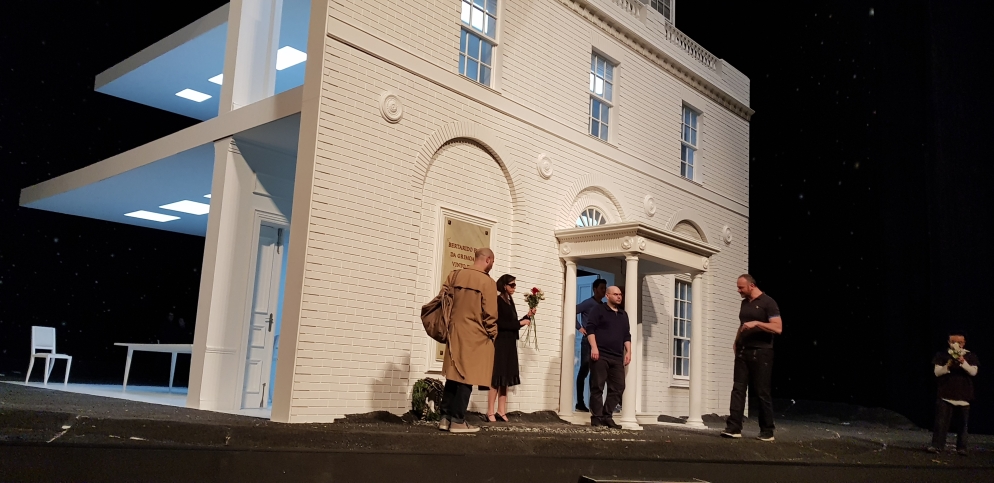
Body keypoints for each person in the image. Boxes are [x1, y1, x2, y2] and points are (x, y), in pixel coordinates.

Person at [438, 247, 498, 434]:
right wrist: (493, 334)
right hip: (476, 334)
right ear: (488, 260)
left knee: (453, 375)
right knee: (467, 377)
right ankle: (458, 421)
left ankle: (445, 418)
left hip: (454, 331)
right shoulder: (488, 283)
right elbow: (490, 314)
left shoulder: (455, 275)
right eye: (492, 262)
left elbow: (443, 300)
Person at [722, 274, 783, 442]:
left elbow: (778, 328)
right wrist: (736, 341)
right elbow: (742, 324)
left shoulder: (768, 303)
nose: (738, 290)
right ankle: (733, 428)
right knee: (738, 389)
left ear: (752, 286)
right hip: (743, 351)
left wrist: (757, 323)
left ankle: (767, 431)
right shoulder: (745, 303)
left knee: (762, 391)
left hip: (761, 352)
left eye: (741, 287)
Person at [483, 274, 536, 422]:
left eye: (515, 285)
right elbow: (499, 323)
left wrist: (527, 316)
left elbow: (513, 324)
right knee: (497, 377)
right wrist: (520, 323)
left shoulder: (510, 301)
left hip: (510, 342)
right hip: (501, 343)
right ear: (504, 286)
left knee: (505, 378)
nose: (514, 288)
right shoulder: (498, 301)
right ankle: (490, 411)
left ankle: (501, 410)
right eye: (512, 285)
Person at [585, 286, 631, 429]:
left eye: (620, 294)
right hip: (601, 354)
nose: (619, 297)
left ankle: (607, 415)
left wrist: (628, 351)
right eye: (615, 294)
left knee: (619, 387)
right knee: (597, 386)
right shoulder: (598, 310)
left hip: (617, 357)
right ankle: (597, 418)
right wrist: (594, 347)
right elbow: (590, 329)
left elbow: (626, 335)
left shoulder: (623, 314)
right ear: (607, 296)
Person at [927, 330, 980, 455]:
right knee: (941, 423)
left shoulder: (970, 356)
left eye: (959, 342)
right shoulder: (942, 355)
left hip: (964, 394)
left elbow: (973, 372)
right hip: (945, 394)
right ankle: (937, 446)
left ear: (964, 343)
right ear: (948, 342)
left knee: (963, 424)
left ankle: (962, 447)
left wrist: (962, 362)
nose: (956, 344)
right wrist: (948, 365)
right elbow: (937, 373)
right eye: (953, 342)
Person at [574, 278, 607, 412]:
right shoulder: (588, 303)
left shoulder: (603, 306)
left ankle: (594, 404)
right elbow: (572, 310)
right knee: (584, 369)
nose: (604, 291)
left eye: (605, 288)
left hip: (599, 342)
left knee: (596, 372)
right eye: (601, 288)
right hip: (587, 341)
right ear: (595, 289)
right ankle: (580, 402)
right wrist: (579, 327)